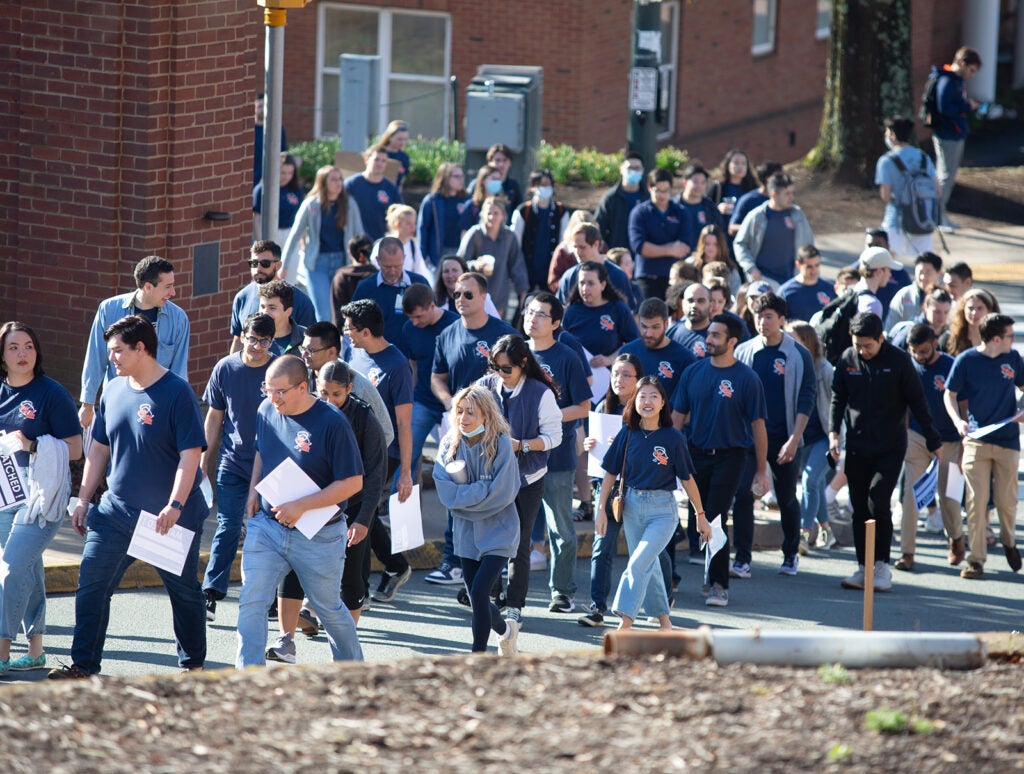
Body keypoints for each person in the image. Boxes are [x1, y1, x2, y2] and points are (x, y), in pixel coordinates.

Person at [50, 316, 208, 679]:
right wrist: (85, 498)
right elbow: (100, 449)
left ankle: (193, 667)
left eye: (118, 350)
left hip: (167, 519)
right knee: (91, 585)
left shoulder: (177, 392)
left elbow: (190, 455)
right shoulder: (114, 389)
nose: (113, 358)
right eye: (110, 352)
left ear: (141, 348)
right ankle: (83, 666)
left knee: (183, 593)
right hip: (115, 513)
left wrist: (175, 505)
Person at [235, 355, 364, 668]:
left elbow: (353, 483)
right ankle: (248, 677)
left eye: (281, 391)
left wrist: (301, 506)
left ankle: (354, 674)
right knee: (251, 600)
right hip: (267, 526)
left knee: (329, 608)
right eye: (268, 390)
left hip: (319, 535)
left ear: (303, 387)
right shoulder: (266, 409)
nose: (273, 398)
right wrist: (254, 490)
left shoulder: (332, 422)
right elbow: (261, 453)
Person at [265, 359, 388, 663]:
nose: (330, 400)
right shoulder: (306, 410)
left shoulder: (363, 419)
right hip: (308, 501)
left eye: (337, 394)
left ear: (349, 389)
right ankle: (286, 639)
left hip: (352, 505)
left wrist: (363, 521)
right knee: (292, 566)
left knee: (351, 574)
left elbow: (375, 475)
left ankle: (346, 650)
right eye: (324, 393)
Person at [830, 313, 941, 593]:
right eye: (857, 345)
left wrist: (932, 439)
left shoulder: (899, 361)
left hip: (889, 446)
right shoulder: (848, 359)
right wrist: (834, 433)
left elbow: (917, 402)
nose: (862, 351)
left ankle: (881, 566)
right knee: (858, 507)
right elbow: (838, 397)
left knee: (877, 500)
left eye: (868, 345)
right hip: (857, 445)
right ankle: (863, 566)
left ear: (881, 339)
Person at [0, 323, 82, 675]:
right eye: (14, 347)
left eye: (29, 346)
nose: (22, 354)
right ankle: (35, 650)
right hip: (5, 497)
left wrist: (33, 445)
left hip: (41, 498)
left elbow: (76, 449)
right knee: (27, 568)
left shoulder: (52, 393)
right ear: (2, 355)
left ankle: (1, 653)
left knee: (11, 569)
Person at [426, 272, 518, 585]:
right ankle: (453, 561)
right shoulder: (447, 334)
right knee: (457, 489)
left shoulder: (503, 333)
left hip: (492, 430)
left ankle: (496, 559)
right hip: (458, 425)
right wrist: (451, 401)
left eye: (468, 295)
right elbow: (436, 376)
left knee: (491, 491)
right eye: (457, 295)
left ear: (483, 297)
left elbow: (515, 375)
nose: (461, 300)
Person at [672, 314, 769, 608]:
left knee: (714, 517)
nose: (709, 339)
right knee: (698, 515)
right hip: (695, 454)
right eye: (709, 334)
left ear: (732, 342)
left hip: (731, 456)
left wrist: (762, 471)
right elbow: (677, 417)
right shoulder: (693, 372)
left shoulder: (747, 378)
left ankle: (718, 584)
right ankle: (695, 575)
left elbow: (758, 427)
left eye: (716, 335)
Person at [598, 377, 710, 630]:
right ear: (634, 401)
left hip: (663, 512)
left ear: (662, 403)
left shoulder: (674, 438)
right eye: (641, 396)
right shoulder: (627, 433)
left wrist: (700, 514)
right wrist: (599, 510)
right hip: (631, 508)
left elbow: (687, 479)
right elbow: (609, 472)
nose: (647, 402)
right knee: (650, 566)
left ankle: (624, 623)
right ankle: (665, 621)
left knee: (638, 563)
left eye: (653, 396)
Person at [477, 335, 562, 624]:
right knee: (490, 539)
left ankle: (515, 605)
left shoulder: (541, 392)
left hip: (528, 477)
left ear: (523, 364)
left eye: (506, 368)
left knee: (519, 541)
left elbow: (554, 437)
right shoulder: (486, 386)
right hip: (492, 475)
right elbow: (465, 412)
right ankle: (492, 596)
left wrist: (521, 445)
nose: (499, 374)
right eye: (494, 367)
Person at [432, 386, 522, 654]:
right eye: (459, 411)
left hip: (500, 531)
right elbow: (444, 491)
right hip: (466, 532)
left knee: (481, 592)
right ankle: (506, 631)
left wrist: (465, 500)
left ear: (486, 414)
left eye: (471, 412)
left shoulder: (501, 443)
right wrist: (482, 491)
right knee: (476, 598)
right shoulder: (449, 443)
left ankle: (478, 657)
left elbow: (504, 492)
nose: (464, 417)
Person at [200, 313, 277, 622]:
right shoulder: (226, 368)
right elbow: (215, 418)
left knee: (270, 532)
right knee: (228, 526)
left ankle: (272, 598)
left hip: (272, 466)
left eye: (264, 341)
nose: (256, 346)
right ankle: (211, 592)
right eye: (251, 338)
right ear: (242, 335)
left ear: (272, 343)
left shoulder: (280, 369)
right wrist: (204, 462)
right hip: (233, 462)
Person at [733, 292, 815, 577]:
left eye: (768, 316)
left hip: (784, 438)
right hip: (748, 438)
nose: (762, 322)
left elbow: (807, 398)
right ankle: (742, 558)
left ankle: (791, 552)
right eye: (758, 316)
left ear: (781, 320)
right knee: (743, 495)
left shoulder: (798, 354)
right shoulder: (744, 351)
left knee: (786, 497)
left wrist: (795, 438)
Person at [340, 299, 415, 603]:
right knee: (363, 511)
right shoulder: (354, 353)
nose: (347, 334)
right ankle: (396, 565)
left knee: (361, 512)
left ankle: (360, 591)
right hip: (351, 449)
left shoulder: (396, 366)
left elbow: (404, 423)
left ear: (366, 331)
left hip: (385, 451)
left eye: (350, 329)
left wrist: (406, 472)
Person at [522, 298, 591, 615]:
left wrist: (547, 416)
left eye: (541, 314)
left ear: (556, 323)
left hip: (556, 457)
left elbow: (583, 407)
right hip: (519, 455)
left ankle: (563, 592)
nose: (533, 319)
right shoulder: (517, 352)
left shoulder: (567, 357)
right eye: (529, 312)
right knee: (513, 527)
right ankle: (509, 592)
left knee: (559, 528)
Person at [944, 313, 1023, 580]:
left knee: (1006, 500)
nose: (1014, 340)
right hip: (977, 439)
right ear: (997, 339)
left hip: (1008, 441)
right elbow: (950, 394)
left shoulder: (1013, 359)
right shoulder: (967, 360)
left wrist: (1021, 409)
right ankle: (975, 561)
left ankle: (1009, 540)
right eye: (1011, 336)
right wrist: (958, 421)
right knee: (976, 501)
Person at [79, 255, 189, 428]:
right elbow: (96, 358)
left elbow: (179, 372)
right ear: (148, 287)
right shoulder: (108, 310)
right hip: (116, 404)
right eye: (168, 286)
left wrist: (176, 412)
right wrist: (87, 403)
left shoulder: (178, 319)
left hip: (156, 408)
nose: (173, 292)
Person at [577, 353, 642, 626]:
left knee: (647, 550)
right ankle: (597, 608)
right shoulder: (603, 407)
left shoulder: (646, 407)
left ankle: (660, 599)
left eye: (626, 374)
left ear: (638, 379)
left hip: (640, 487)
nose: (619, 379)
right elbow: (594, 454)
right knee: (602, 546)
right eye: (615, 373)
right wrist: (589, 445)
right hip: (606, 488)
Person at [897, 324, 964, 572]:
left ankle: (956, 538)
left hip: (949, 440)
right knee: (910, 496)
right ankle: (907, 553)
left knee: (950, 500)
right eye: (914, 351)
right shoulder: (909, 365)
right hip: (916, 437)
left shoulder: (950, 365)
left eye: (924, 351)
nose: (919, 356)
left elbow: (964, 403)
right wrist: (903, 433)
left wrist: (964, 442)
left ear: (935, 343)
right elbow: (903, 404)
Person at [281, 165, 365, 324]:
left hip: (342, 262)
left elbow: (359, 234)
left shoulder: (349, 204)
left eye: (340, 179)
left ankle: (339, 347)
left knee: (343, 313)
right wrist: (283, 265)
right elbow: (294, 235)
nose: (338, 183)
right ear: (323, 182)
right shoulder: (311, 204)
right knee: (325, 314)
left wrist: (362, 260)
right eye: (333, 179)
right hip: (317, 263)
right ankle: (323, 347)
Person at [297, 321, 394, 451]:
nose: (304, 355)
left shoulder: (359, 386)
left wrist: (357, 464)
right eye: (303, 349)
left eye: (310, 350)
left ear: (332, 352)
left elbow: (386, 433)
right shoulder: (301, 377)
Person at [398, 283, 459, 486]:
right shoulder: (408, 329)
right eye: (411, 318)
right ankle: (398, 511)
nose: (415, 323)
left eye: (419, 317)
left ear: (432, 306)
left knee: (455, 461)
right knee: (408, 455)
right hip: (423, 400)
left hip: (454, 404)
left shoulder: (456, 325)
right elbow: (413, 365)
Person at [786, 321, 838, 552]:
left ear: (807, 341)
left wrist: (837, 437)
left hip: (825, 437)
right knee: (814, 484)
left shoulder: (825, 369)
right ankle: (827, 529)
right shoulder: (790, 365)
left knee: (809, 481)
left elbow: (839, 403)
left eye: (793, 338)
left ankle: (804, 533)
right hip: (801, 437)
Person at [930, 47, 982, 232]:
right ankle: (937, 215)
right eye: (972, 70)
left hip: (952, 132)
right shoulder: (948, 81)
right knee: (945, 175)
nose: (971, 74)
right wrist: (966, 107)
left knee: (945, 175)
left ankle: (937, 213)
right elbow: (945, 108)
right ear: (963, 63)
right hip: (948, 134)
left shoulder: (954, 81)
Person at [230, 240, 315, 354]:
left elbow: (311, 343)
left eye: (265, 263)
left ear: (278, 265)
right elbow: (238, 341)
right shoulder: (242, 298)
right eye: (254, 263)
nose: (258, 269)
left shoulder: (301, 302)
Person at [875, 116, 940, 258]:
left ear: (892, 135)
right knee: (922, 262)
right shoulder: (923, 157)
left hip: (896, 220)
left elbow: (886, 195)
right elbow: (937, 189)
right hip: (923, 219)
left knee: (887, 262)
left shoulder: (886, 161)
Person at [734, 172, 814, 286]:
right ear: (773, 195)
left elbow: (809, 245)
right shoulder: (757, 216)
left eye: (792, 193)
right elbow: (739, 243)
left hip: (792, 279)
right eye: (787, 194)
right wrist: (751, 268)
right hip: (764, 279)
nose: (792, 197)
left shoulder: (797, 215)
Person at [457, 196, 529, 319]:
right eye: (488, 213)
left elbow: (517, 266)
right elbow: (459, 264)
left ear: (503, 215)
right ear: (482, 214)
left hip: (499, 294)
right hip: (474, 296)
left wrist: (523, 291)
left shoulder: (509, 237)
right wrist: (475, 265)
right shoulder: (475, 234)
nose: (492, 217)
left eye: (496, 213)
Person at [351, 236, 431, 344]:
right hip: (378, 356)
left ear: (404, 258)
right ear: (378, 260)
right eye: (387, 267)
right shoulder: (365, 289)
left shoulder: (420, 283)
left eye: (397, 266)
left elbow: (432, 317)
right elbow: (353, 326)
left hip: (416, 353)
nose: (392, 272)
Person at [628, 168, 693, 301]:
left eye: (666, 191)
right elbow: (640, 247)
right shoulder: (639, 213)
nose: (662, 195)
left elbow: (684, 247)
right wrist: (671, 249)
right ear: (649, 188)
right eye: (658, 190)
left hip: (675, 277)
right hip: (647, 276)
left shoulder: (681, 212)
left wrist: (655, 248)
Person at [620, 298, 696, 408]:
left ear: (666, 324)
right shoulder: (627, 352)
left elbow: (689, 403)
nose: (649, 333)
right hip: (631, 422)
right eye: (644, 326)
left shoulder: (685, 358)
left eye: (655, 327)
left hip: (666, 423)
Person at [561, 261, 639, 368]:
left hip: (610, 376)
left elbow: (634, 343)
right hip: (577, 375)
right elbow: (561, 344)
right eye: (582, 283)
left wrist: (610, 359)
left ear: (603, 285)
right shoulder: (571, 311)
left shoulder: (618, 308)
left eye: (591, 283)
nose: (585, 288)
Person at [556, 222, 637, 312]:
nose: (577, 252)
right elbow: (559, 312)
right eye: (575, 247)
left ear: (596, 244)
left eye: (582, 247)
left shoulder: (617, 275)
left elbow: (630, 313)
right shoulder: (569, 277)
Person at [511, 170, 570, 293]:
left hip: (550, 269)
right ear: (533, 187)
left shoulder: (561, 211)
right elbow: (515, 242)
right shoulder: (523, 211)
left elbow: (564, 241)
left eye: (547, 184)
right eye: (540, 184)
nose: (544, 188)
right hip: (527, 269)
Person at [417, 162, 471, 269]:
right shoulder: (432, 201)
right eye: (456, 176)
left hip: (461, 250)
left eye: (462, 176)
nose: (461, 180)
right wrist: (424, 256)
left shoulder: (467, 200)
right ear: (445, 178)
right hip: (438, 253)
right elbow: (423, 229)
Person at [344, 146, 402, 242]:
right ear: (366, 160)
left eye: (384, 161)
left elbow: (399, 215)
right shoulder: (351, 185)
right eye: (376, 160)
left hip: (382, 243)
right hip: (356, 242)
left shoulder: (391, 188)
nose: (380, 164)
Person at [595, 150, 646, 250]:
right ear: (621, 169)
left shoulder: (647, 197)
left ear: (643, 170)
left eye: (637, 168)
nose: (634, 171)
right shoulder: (610, 197)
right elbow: (598, 227)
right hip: (616, 254)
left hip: (643, 254)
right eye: (630, 168)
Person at [369, 204, 432, 281]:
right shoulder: (381, 245)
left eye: (414, 223)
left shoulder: (413, 246)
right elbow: (374, 269)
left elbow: (419, 271)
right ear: (397, 225)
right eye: (408, 224)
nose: (413, 227)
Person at [253, 152, 303, 246]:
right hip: (269, 233)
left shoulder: (296, 190)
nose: (286, 177)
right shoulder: (262, 189)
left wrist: (302, 240)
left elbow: (301, 216)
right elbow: (256, 218)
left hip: (290, 232)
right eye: (283, 173)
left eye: (290, 173)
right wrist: (261, 242)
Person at [778, 245, 836, 323]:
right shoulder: (786, 292)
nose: (814, 270)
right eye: (809, 267)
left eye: (817, 265)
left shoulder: (830, 289)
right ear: (798, 265)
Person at [887, 251, 943, 330]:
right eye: (920, 272)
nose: (922, 277)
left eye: (928, 272)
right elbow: (890, 325)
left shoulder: (945, 298)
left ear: (939, 273)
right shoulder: (904, 295)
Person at [675, 162, 725, 248]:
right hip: (679, 256)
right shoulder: (673, 206)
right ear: (685, 183)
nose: (699, 186)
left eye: (703, 183)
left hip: (703, 256)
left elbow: (720, 233)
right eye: (695, 182)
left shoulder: (710, 207)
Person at [434, 254, 502, 318]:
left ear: (465, 273)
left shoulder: (482, 298)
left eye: (455, 270)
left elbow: (498, 324)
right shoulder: (434, 301)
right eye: (446, 271)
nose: (450, 275)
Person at [889, 287, 953, 352]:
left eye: (946, 312)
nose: (942, 317)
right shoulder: (910, 332)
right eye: (937, 312)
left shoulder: (950, 334)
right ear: (926, 308)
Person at [330, 235, 377, 321]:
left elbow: (338, 311)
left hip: (349, 329)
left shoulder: (341, 276)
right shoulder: (378, 277)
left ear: (350, 253)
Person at [729, 160, 781, 237]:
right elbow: (732, 228)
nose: (783, 182)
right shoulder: (748, 200)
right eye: (779, 178)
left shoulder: (785, 199)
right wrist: (755, 228)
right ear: (768, 179)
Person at [946, 287, 1000, 357]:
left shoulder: (999, 339)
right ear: (963, 310)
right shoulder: (950, 338)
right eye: (970, 308)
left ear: (989, 311)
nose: (974, 313)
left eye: (980, 308)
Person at [707, 149, 759, 221]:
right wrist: (717, 208)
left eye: (744, 163)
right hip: (721, 230)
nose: (740, 167)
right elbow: (705, 209)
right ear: (728, 165)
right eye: (736, 163)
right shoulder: (718, 187)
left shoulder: (753, 188)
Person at [691, 223, 742, 294]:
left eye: (715, 244)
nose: (711, 248)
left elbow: (735, 295)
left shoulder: (730, 270)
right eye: (707, 244)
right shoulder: (692, 265)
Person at [259, 280, 305, 355]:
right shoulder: (252, 338)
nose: (265, 312)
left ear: (288, 311)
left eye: (272, 308)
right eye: (262, 307)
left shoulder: (307, 339)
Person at [667, 282, 712, 358]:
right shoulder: (671, 332)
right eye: (690, 301)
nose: (694, 305)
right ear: (683, 304)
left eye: (701, 301)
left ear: (710, 305)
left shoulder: (717, 335)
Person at [253, 92, 286, 189]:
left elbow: (283, 153)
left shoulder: (277, 129)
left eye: (265, 106)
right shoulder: (249, 129)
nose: (262, 110)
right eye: (260, 106)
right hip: (252, 177)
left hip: (270, 177)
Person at [460, 164, 504, 233]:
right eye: (494, 179)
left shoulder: (503, 205)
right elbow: (464, 232)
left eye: (499, 179)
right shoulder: (472, 206)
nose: (497, 182)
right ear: (483, 180)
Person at [379, 119, 411, 190]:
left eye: (405, 139)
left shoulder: (404, 157)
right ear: (390, 137)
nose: (402, 143)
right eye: (399, 139)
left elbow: (401, 181)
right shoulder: (378, 153)